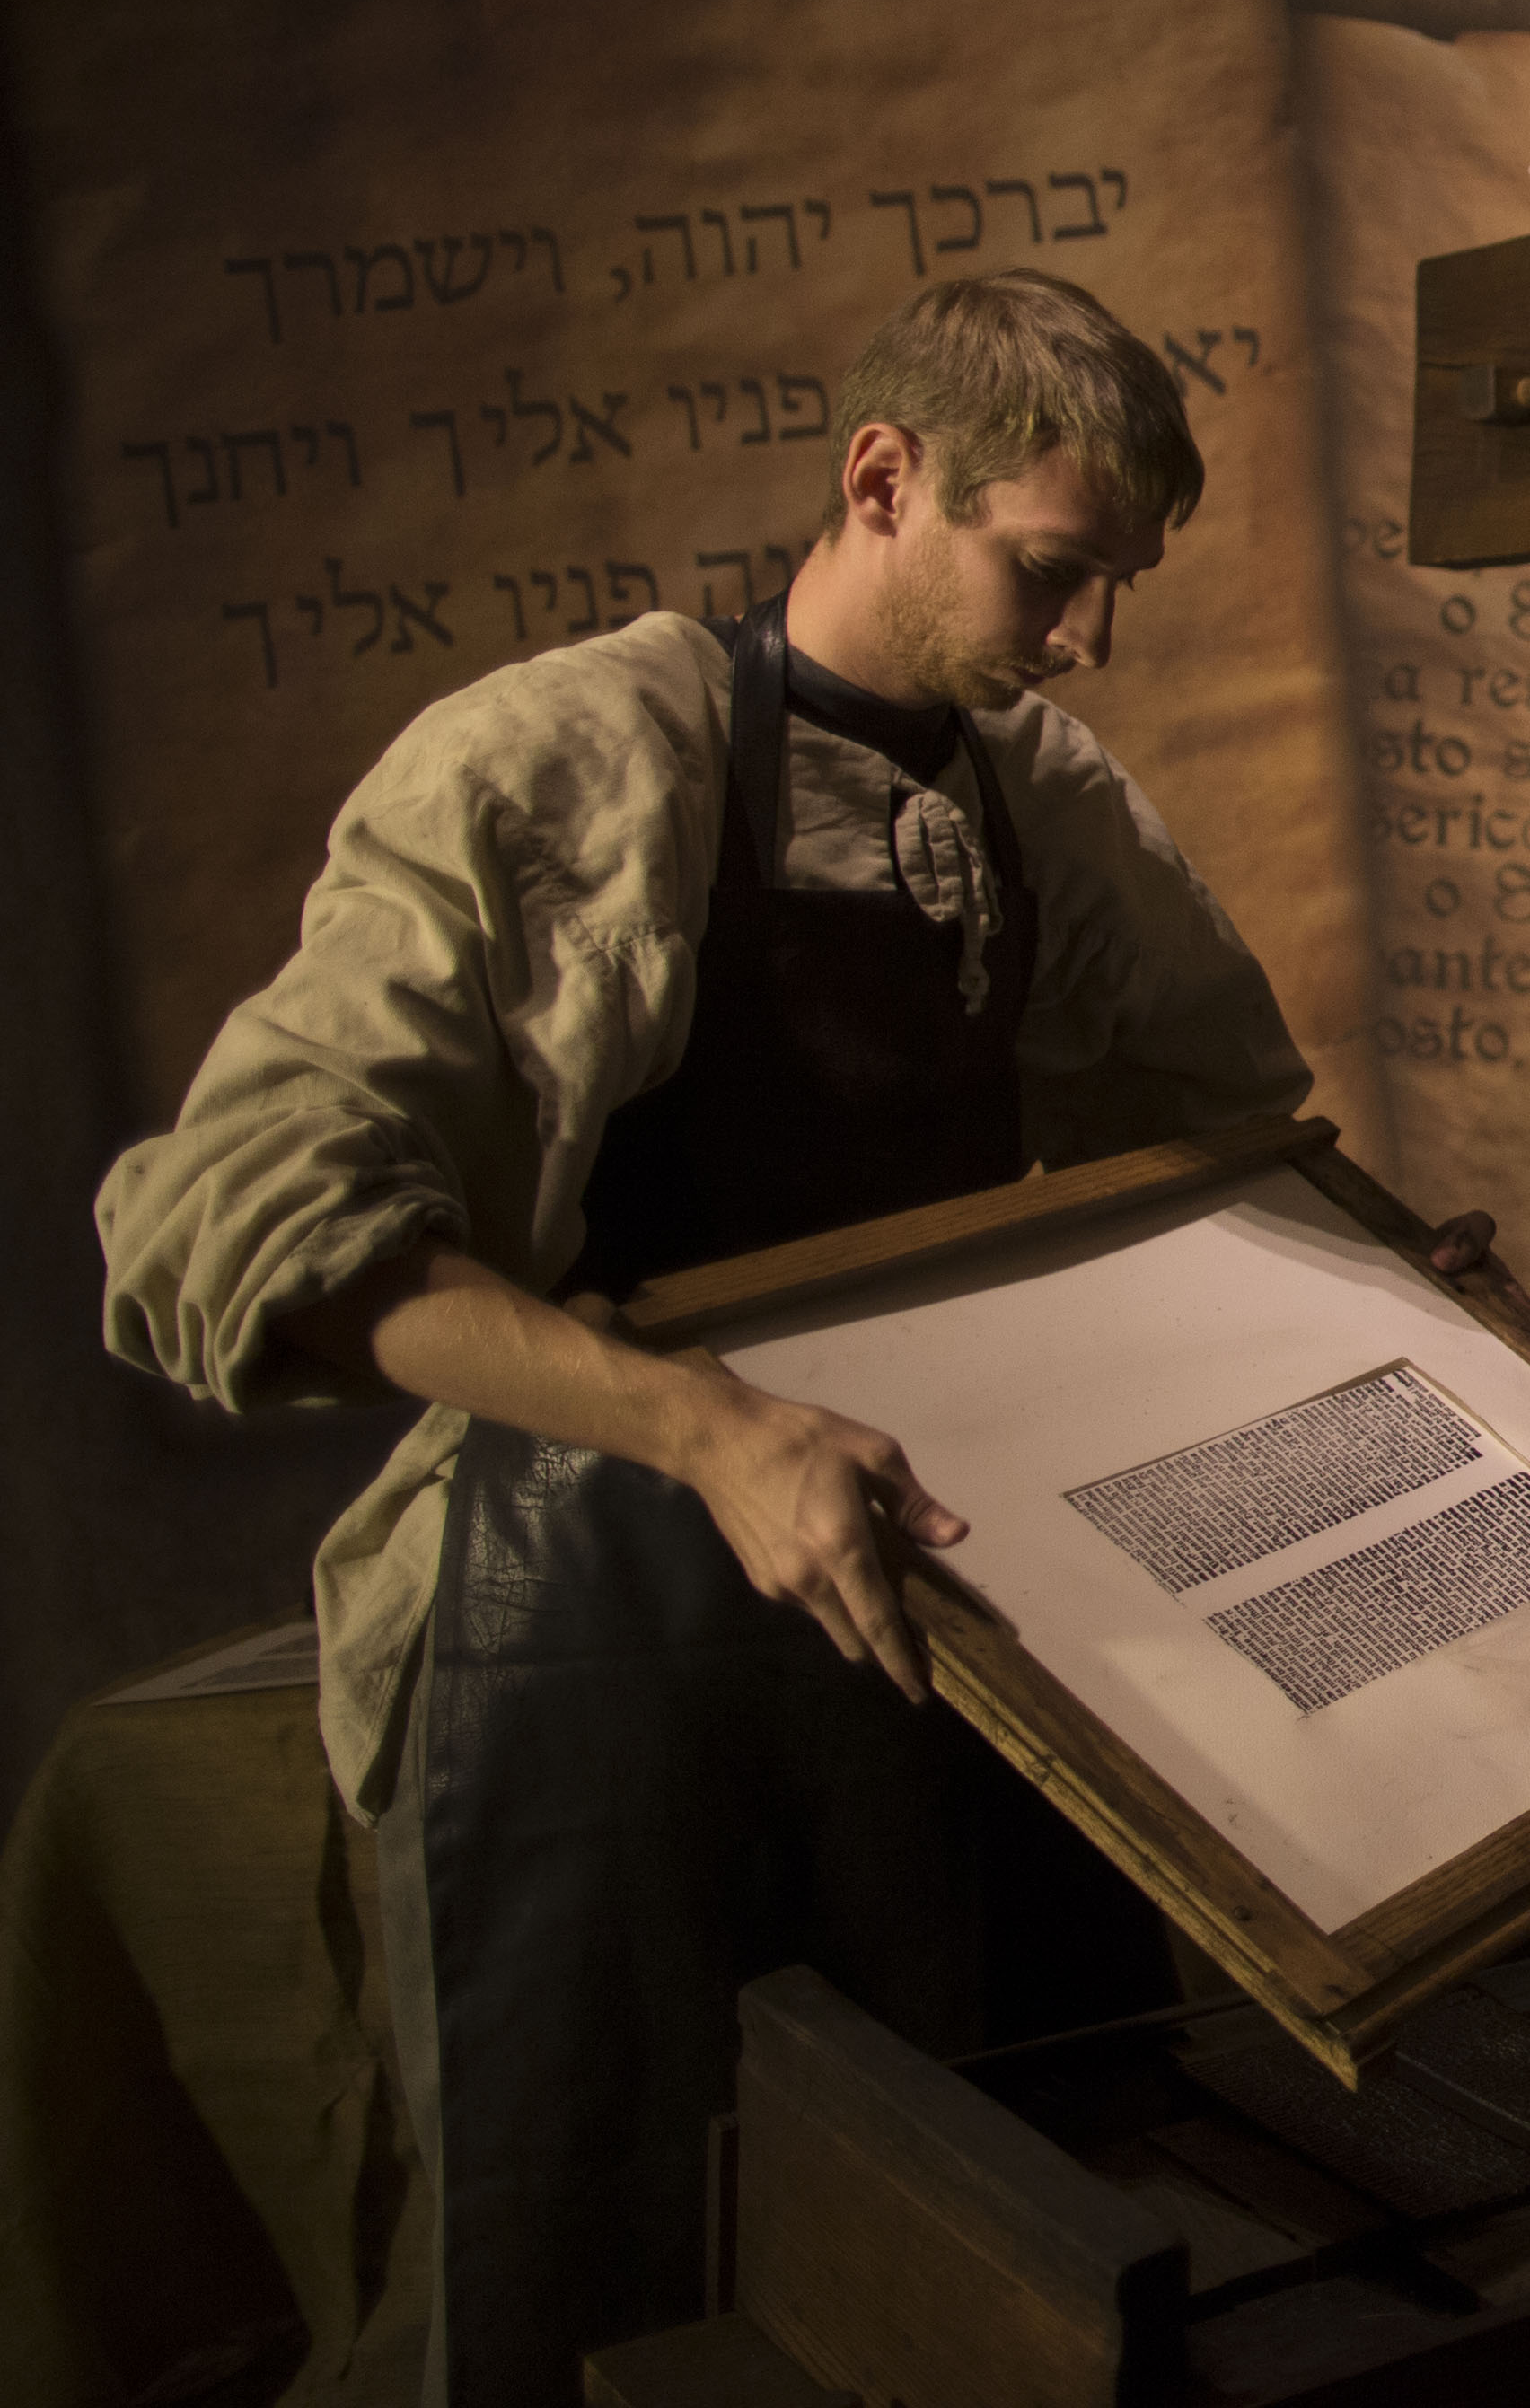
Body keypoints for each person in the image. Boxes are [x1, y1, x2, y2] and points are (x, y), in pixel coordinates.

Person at [89, 268, 1455, 2402]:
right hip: (591, 1606)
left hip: (924, 1578)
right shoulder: (569, 764)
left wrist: (1407, 1317)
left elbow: (1223, 1141)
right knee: (614, 2278)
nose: (1084, 638)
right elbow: (230, 1226)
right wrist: (704, 1426)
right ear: (885, 478)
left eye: (1116, 589)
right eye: (1052, 574)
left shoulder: (1043, 802)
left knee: (983, 2222)